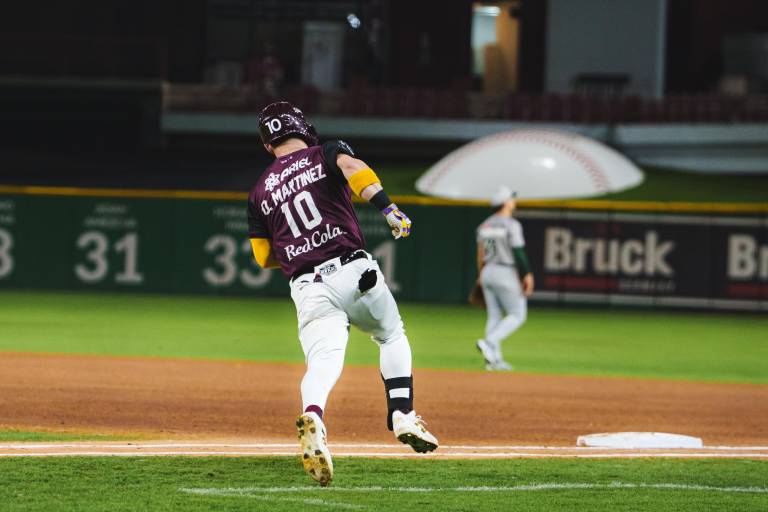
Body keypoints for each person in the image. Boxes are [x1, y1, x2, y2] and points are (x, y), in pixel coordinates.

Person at [247, 101, 438, 486]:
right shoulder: (326, 152)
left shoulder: (260, 192)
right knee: (391, 333)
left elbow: (264, 256)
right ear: (303, 127)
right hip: (351, 268)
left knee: (323, 361)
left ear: (268, 146)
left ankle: (314, 414)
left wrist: (298, 245)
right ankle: (402, 414)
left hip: (306, 286)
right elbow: (354, 170)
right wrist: (388, 209)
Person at [475, 186, 534, 371]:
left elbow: (480, 253)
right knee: (518, 314)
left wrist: (480, 275)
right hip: (505, 271)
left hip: (487, 271)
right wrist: (527, 274)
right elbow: (518, 251)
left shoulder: (484, 225)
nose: (514, 201)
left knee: (494, 316)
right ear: (505, 202)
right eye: (512, 198)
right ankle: (489, 342)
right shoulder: (512, 225)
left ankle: (495, 360)